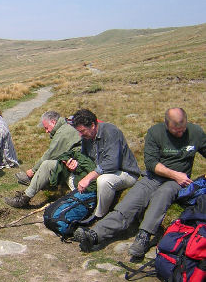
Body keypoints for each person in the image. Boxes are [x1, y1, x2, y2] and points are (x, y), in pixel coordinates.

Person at [73, 108, 206, 257]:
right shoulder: (155, 133)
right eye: (176, 130)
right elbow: (151, 163)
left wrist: (179, 177)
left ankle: (143, 236)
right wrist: (175, 174)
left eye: (182, 129)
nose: (180, 133)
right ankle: (96, 234)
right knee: (130, 202)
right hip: (154, 176)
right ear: (166, 125)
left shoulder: (196, 133)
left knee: (163, 194)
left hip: (179, 182)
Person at [64, 109, 140, 221]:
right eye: (78, 131)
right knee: (71, 178)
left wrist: (89, 177)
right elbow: (86, 159)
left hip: (125, 172)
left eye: (82, 130)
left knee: (103, 180)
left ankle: (99, 216)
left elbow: (112, 163)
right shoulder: (86, 137)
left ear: (93, 125)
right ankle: (84, 205)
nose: (80, 134)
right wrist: (76, 165)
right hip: (102, 171)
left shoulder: (111, 132)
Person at [4, 111, 81, 208]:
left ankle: (24, 199)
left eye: (46, 128)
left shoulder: (63, 133)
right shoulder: (64, 127)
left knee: (47, 164)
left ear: (53, 122)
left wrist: (33, 170)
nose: (46, 131)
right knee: (48, 165)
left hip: (77, 165)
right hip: (74, 161)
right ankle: (36, 182)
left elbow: (50, 154)